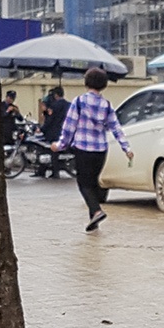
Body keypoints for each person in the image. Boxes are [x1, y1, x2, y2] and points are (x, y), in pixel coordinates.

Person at [56, 67, 132, 231]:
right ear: (104, 85)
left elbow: (69, 127)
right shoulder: (106, 105)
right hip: (100, 150)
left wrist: (60, 145)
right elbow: (116, 127)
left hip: (83, 148)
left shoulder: (79, 102)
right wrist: (126, 148)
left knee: (84, 184)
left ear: (86, 82)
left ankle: (96, 211)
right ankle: (94, 221)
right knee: (93, 182)